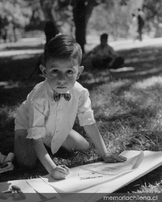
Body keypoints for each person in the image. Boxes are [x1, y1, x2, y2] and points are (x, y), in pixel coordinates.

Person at [14, 34, 126, 180]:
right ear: (44, 71)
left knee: (84, 147)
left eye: (69, 72)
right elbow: (36, 138)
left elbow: (89, 123)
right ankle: (21, 138)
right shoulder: (39, 97)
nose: (62, 79)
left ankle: (54, 134)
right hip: (28, 126)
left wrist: (105, 154)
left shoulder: (80, 92)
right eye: (55, 71)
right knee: (27, 163)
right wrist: (52, 169)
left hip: (54, 124)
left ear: (78, 72)